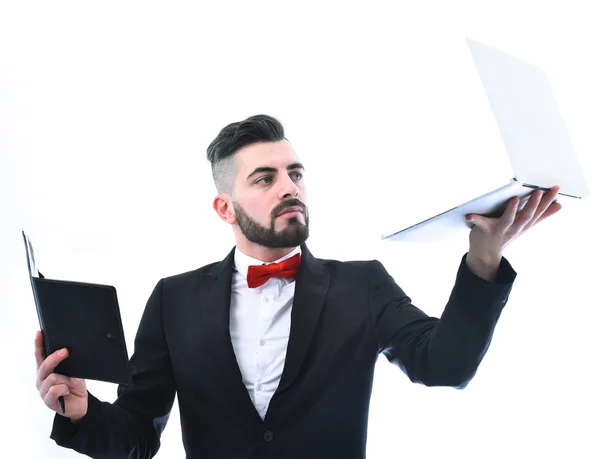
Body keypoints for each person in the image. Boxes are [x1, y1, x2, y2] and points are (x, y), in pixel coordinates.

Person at [34, 114, 562, 458]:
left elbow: (444, 365)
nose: (290, 187)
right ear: (225, 207)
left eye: (296, 173)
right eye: (264, 178)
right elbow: (136, 435)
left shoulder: (363, 285)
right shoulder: (174, 299)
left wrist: (484, 256)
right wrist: (81, 412)